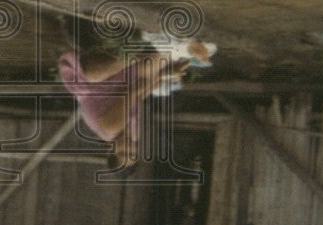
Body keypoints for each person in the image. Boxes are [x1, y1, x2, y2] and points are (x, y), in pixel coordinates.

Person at [57, 27, 213, 172]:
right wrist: (165, 76)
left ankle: (148, 46)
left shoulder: (110, 129)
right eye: (132, 153)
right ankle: (173, 47)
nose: (129, 148)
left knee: (96, 75)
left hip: (96, 82)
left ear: (111, 150)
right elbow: (138, 97)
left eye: (123, 152)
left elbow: (131, 93)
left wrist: (160, 75)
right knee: (151, 72)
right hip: (121, 83)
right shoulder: (134, 134)